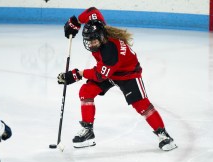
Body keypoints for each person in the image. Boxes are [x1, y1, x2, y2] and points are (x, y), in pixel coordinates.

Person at [58, 7, 177, 151]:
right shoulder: (99, 25)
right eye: (88, 41)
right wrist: (76, 22)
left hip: (128, 74)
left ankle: (164, 135)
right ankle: (88, 131)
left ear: (101, 37)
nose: (91, 44)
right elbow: (92, 11)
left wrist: (77, 74)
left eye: (94, 41)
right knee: (86, 91)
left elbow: (100, 75)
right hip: (109, 71)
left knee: (142, 105)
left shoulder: (110, 52)